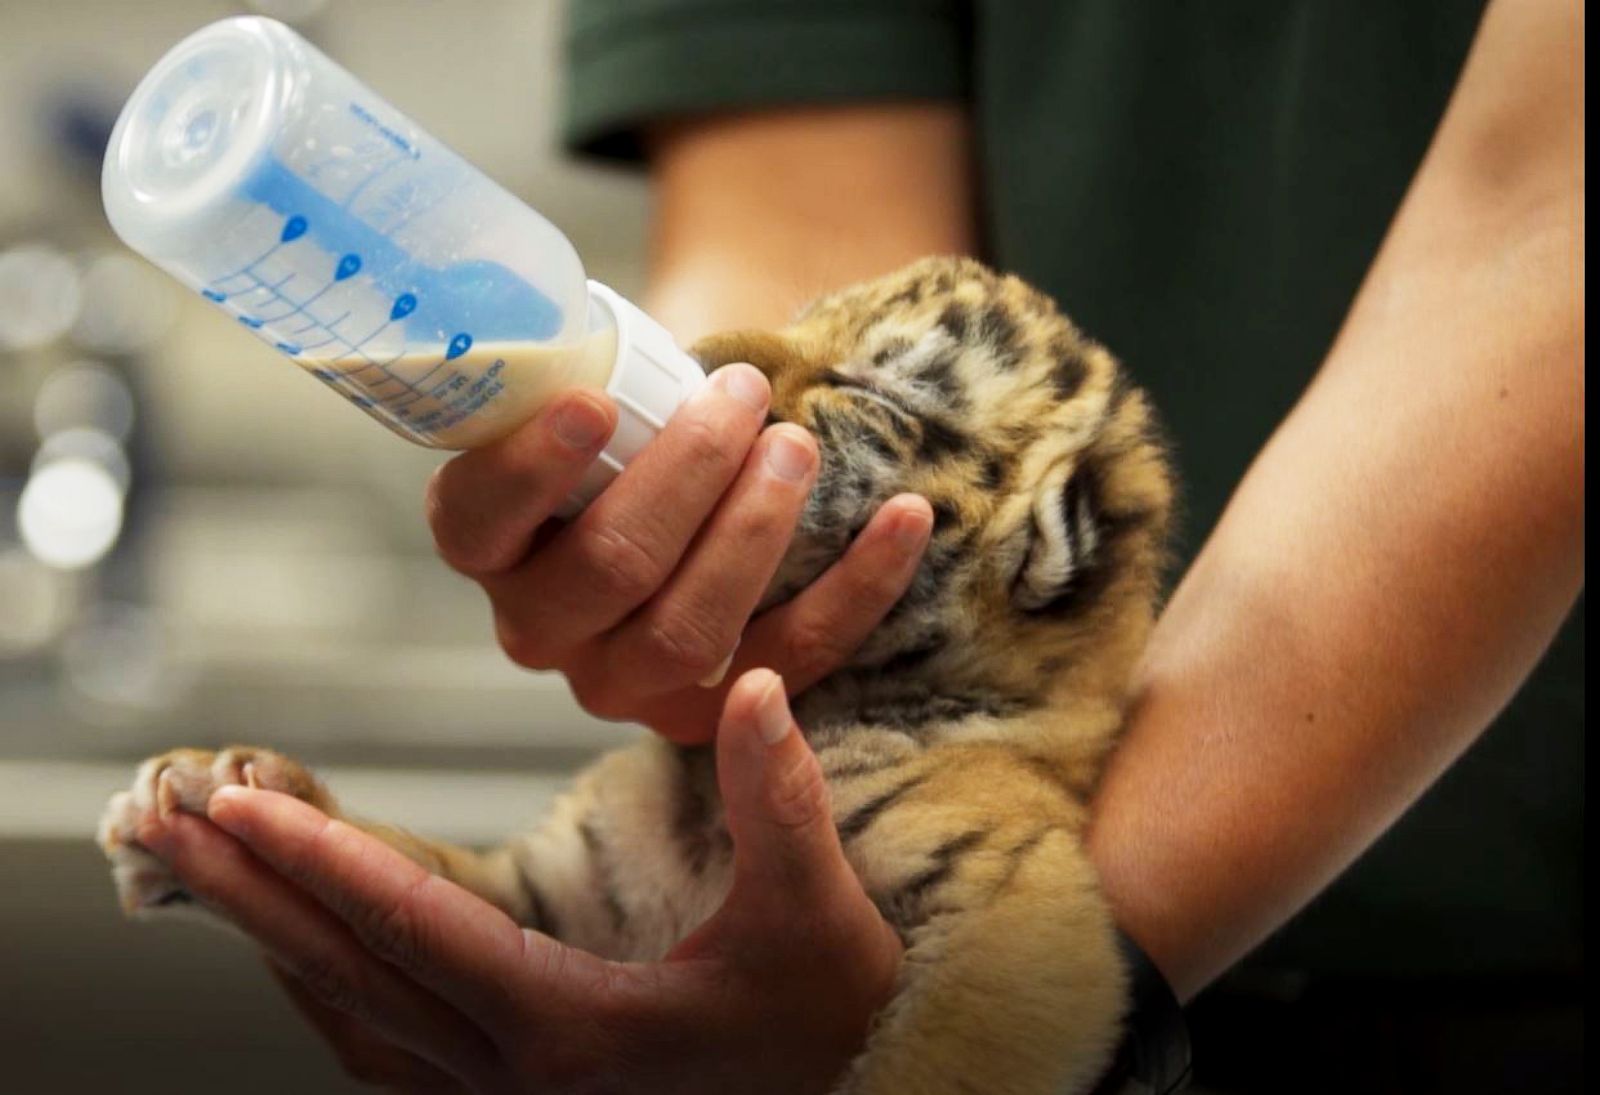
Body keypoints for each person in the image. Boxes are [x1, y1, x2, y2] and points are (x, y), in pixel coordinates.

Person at [137, 0, 1583, 1090]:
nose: (756, 378)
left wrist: (940, 1003)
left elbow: (1548, 218)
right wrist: (689, 550)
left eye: (870, 396)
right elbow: (802, 216)